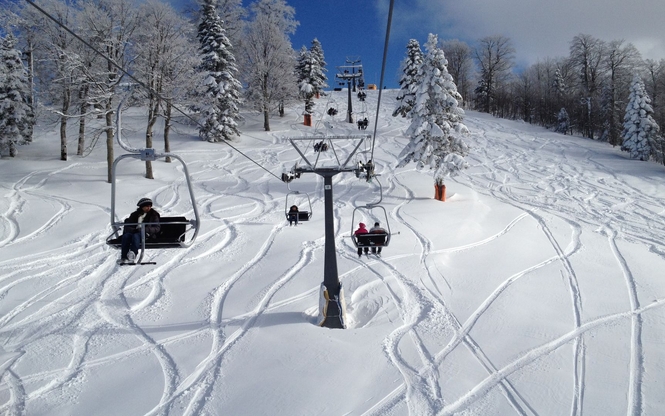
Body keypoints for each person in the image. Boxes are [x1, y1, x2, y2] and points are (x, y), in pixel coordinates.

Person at [120, 197, 161, 264]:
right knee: (126, 236)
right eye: (146, 206)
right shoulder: (134, 215)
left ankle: (132, 255)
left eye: (150, 206)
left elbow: (157, 228)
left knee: (136, 236)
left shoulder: (153, 215)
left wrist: (144, 229)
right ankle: (124, 257)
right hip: (134, 232)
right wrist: (134, 229)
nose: (149, 208)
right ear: (142, 207)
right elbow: (128, 226)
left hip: (147, 234)